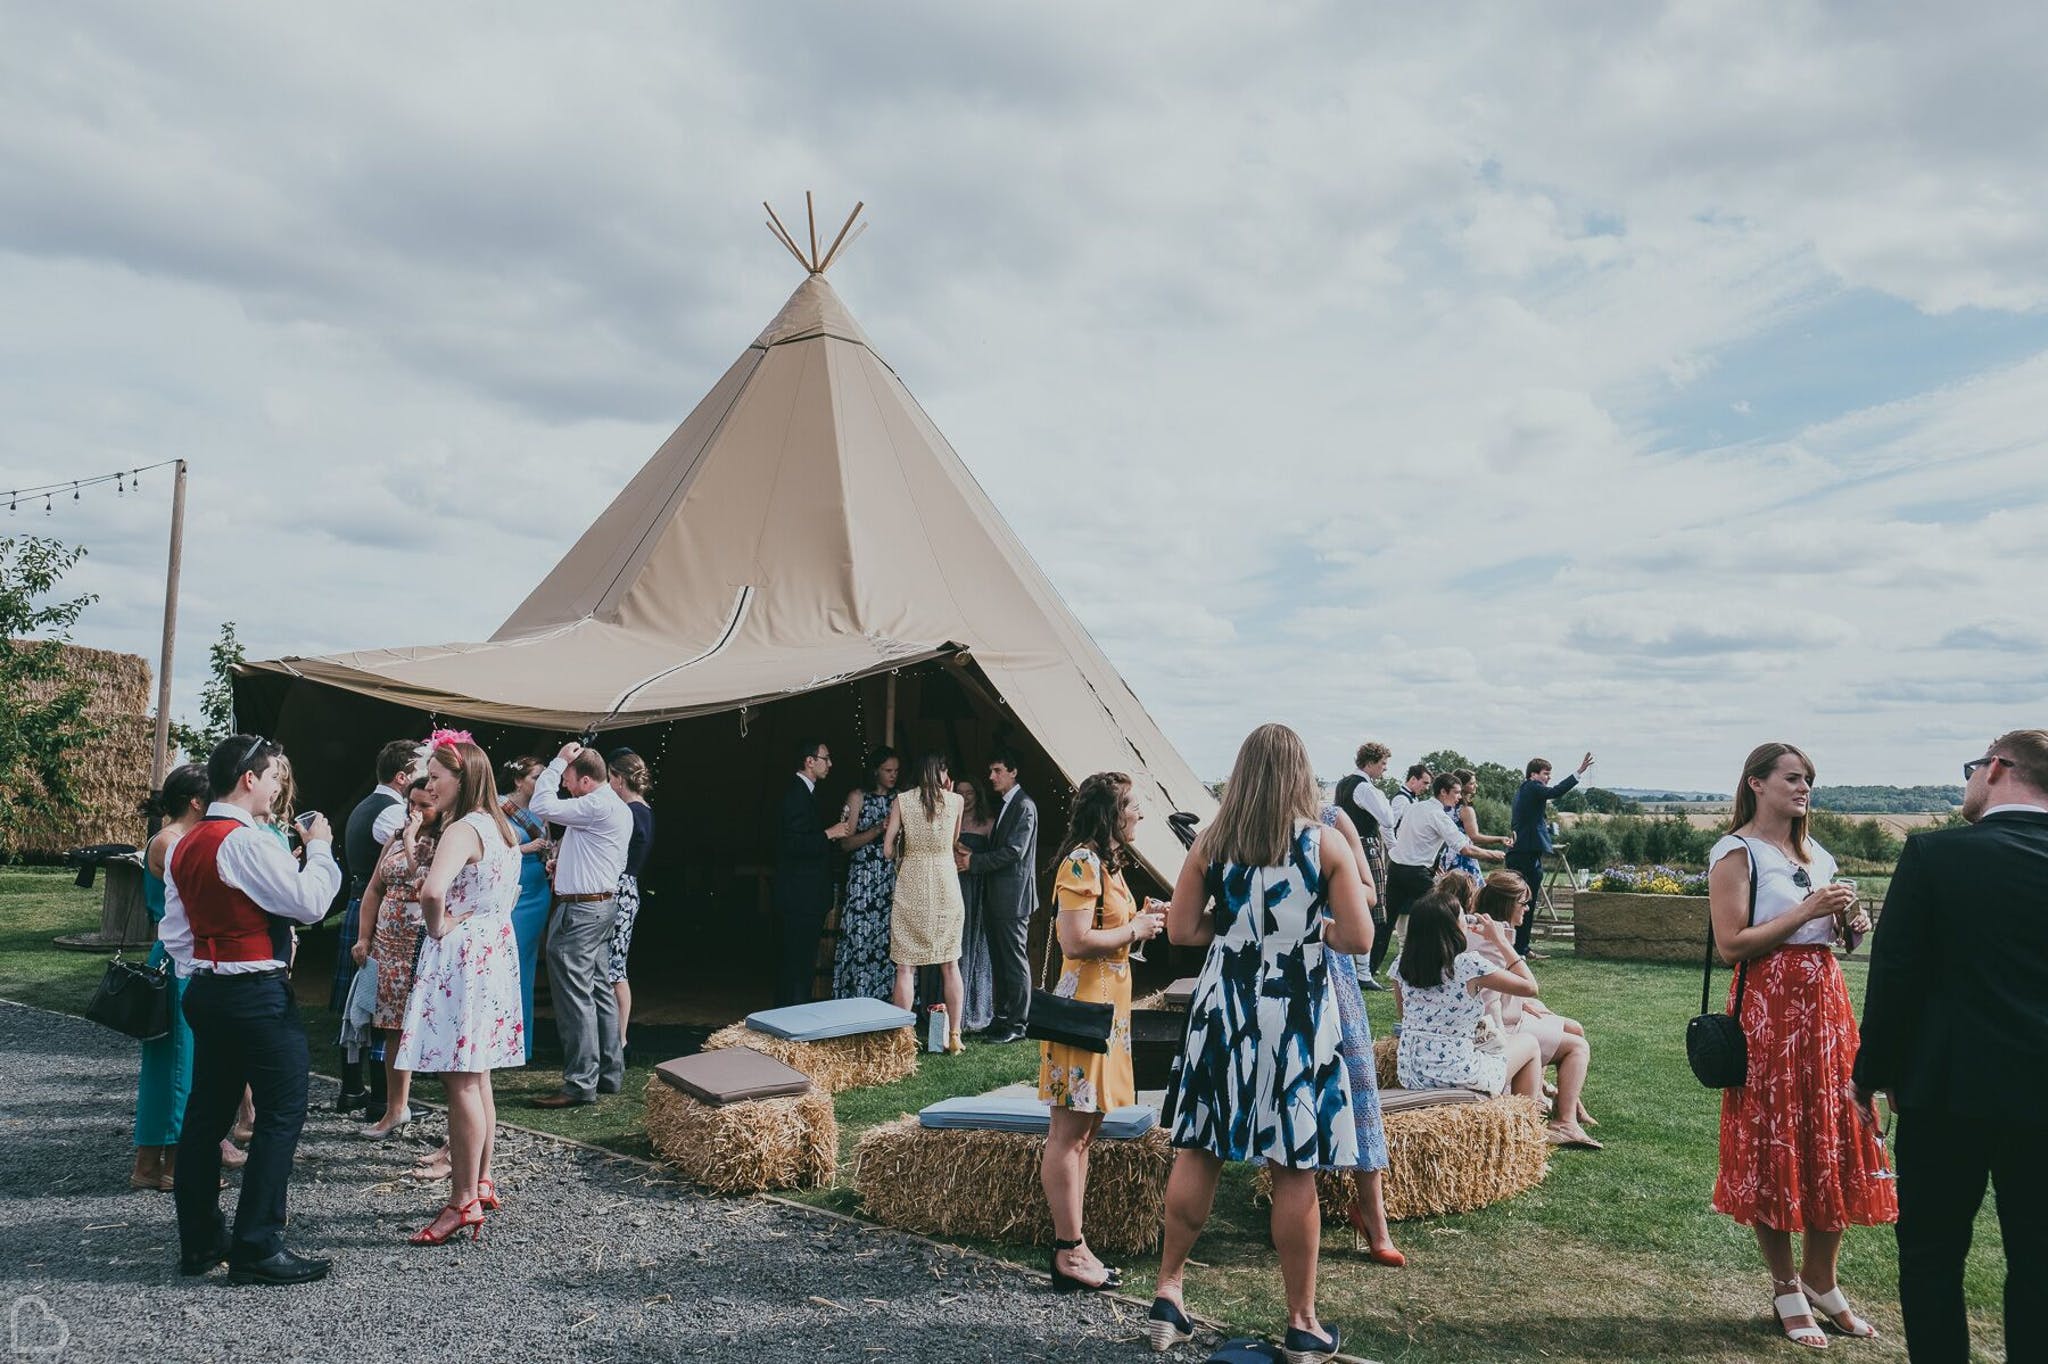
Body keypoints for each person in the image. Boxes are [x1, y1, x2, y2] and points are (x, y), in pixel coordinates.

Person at [1150, 723, 1373, 1363]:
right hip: (1296, 1008)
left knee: (1200, 1146)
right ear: (1301, 774)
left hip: (1226, 1001)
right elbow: (1358, 939)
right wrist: (1305, 931)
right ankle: (1303, 1324)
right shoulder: (1325, 844)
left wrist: (1240, 926)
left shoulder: (1211, 843)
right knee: (1293, 1163)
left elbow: (1185, 931)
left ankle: (1169, 1292)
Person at [1853, 730, 2048, 1363]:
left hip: (1946, 1095)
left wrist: (1868, 1075)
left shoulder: (1934, 856)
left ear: (1996, 768)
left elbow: (1896, 978)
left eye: (1971, 768)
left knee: (1933, 1258)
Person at [1708, 742, 1891, 1350]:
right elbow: (1733, 944)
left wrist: (1848, 927)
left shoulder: (1818, 853)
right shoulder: (1737, 852)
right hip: (1770, 1009)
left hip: (1826, 1006)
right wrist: (1809, 908)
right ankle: (1786, 1285)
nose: (1803, 787)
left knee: (1836, 1133)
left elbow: (1839, 946)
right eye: (1792, 777)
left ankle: (1823, 1281)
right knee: (1776, 1136)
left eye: (1808, 778)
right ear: (1756, 783)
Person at [162, 734, 340, 1285]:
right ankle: (257, 1246)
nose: (276, 788)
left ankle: (199, 1242)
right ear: (248, 779)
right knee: (282, 1115)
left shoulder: (184, 843)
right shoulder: (248, 842)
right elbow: (311, 903)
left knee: (204, 1117)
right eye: (273, 779)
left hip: (208, 991)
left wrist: (208, 966)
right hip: (254, 993)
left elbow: (174, 934)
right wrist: (320, 849)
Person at [1037, 772, 1166, 1292]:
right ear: (1111, 814)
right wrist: (1132, 929)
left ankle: (1078, 1243)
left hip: (1107, 1016)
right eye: (1134, 806)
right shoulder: (1081, 862)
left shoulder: (1109, 865)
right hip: (1081, 1017)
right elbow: (1075, 939)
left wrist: (1141, 918)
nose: (1140, 814)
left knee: (1085, 1133)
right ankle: (1068, 1251)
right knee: (1068, 1136)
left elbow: (1106, 931)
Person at [395, 737, 525, 1245]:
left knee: (461, 1081)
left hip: (463, 955)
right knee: (478, 1074)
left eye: (435, 778)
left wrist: (437, 926)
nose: (428, 786)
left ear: (462, 778)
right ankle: (481, 1181)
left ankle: (462, 1198)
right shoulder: (502, 828)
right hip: (492, 950)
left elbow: (432, 891)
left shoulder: (463, 829)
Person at [1315, 799, 1401, 1266]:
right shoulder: (1254, 820)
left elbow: (1370, 893)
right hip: (1277, 976)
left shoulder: (1332, 819)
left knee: (1358, 1084)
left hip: (1332, 963)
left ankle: (1374, 1216)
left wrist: (1334, 887)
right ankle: (1293, 1209)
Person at [531, 742, 636, 1108]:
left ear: (587, 780)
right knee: (599, 989)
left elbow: (540, 805)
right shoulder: (613, 806)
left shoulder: (595, 804)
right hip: (600, 907)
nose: (565, 787)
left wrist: (557, 760)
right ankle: (609, 1073)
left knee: (575, 997)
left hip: (580, 914)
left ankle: (580, 1083)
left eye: (569, 781)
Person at [1467, 870, 1600, 1147]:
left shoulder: (1486, 931)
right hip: (1498, 1028)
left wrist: (1525, 1004)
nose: (1527, 909)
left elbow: (1498, 989)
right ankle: (1563, 1120)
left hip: (1508, 1015)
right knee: (1578, 1045)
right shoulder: (1492, 939)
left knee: (1573, 1027)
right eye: (1523, 903)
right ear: (1506, 905)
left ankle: (1567, 1103)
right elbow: (1491, 1002)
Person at [131, 765, 209, 1192]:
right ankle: (175, 1168)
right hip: (178, 958)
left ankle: (148, 1164)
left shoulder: (170, 838)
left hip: (172, 954)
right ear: (197, 801)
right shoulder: (171, 842)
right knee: (181, 1062)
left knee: (166, 1064)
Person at [352, 772, 442, 1138]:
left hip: (420, 941)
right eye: (412, 804)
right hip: (387, 944)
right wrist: (363, 937)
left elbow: (417, 874)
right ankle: (395, 1108)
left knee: (421, 1027)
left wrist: (409, 837)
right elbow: (374, 888)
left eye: (425, 805)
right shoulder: (393, 839)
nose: (416, 811)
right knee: (391, 1029)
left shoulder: (442, 841)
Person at [1394, 888, 1544, 1107]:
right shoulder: (1467, 964)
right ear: (1454, 926)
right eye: (1463, 916)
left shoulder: (1400, 964)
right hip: (1455, 1074)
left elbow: (1405, 1015)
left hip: (1412, 1074)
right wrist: (1500, 941)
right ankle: (1522, 1128)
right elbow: (1530, 987)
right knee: (1529, 1043)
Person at [331, 739, 418, 1113]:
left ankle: (354, 1091)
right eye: (420, 774)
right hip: (379, 910)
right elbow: (401, 866)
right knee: (379, 1008)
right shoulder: (391, 815)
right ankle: (381, 1098)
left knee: (366, 1005)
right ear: (402, 778)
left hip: (365, 904)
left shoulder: (370, 804)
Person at [1373, 771, 1504, 978]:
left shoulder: (1416, 806)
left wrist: (1433, 865)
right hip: (1416, 873)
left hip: (1397, 868)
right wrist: (1494, 854)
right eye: (1456, 792)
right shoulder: (1438, 815)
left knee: (1387, 922)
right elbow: (1465, 848)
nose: (1459, 797)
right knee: (1448, 914)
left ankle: (1368, 971)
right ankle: (1451, 963)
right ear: (1443, 792)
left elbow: (1418, 839)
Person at [884, 753, 967, 1036]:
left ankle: (902, 1037)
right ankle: (955, 1034)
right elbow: (954, 841)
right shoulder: (957, 801)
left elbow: (886, 850)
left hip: (913, 883)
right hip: (946, 884)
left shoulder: (902, 800)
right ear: (942, 773)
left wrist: (899, 839)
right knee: (950, 963)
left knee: (905, 968)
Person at [963, 749, 1038, 1044]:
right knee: (999, 959)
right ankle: (1002, 1017)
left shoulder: (1024, 806)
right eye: (991, 771)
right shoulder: (1008, 804)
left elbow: (1013, 852)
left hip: (1013, 897)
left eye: (997, 770)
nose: (991, 777)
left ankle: (1019, 1024)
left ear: (1013, 771)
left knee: (1014, 961)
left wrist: (975, 863)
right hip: (999, 896)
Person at [774, 738, 854, 1007]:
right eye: (826, 758)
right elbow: (793, 844)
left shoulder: (806, 793)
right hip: (800, 895)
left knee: (801, 959)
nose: (830, 763)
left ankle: (793, 1011)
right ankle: (791, 1013)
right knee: (798, 960)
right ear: (810, 761)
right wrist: (829, 834)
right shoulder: (796, 795)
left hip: (806, 894)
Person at [1503, 753, 1594, 958]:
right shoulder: (1532, 787)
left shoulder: (1526, 790)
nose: (1548, 778)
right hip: (1524, 854)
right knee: (1524, 902)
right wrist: (1578, 772)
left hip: (1524, 852)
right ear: (1533, 774)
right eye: (1546, 774)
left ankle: (1522, 948)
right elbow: (1556, 792)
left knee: (1525, 902)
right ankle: (1518, 950)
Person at [831, 747, 902, 1002]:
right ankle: (856, 996)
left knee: (887, 939)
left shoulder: (900, 798)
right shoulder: (858, 797)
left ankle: (886, 998)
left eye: (896, 770)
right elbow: (844, 843)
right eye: (887, 770)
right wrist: (877, 830)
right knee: (860, 936)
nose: (893, 775)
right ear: (875, 771)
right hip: (863, 877)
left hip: (889, 878)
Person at [499, 756, 553, 1063]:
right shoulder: (499, 808)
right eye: (537, 777)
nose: (543, 783)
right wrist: (527, 849)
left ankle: (522, 1043)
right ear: (519, 781)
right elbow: (490, 849)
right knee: (507, 962)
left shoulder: (542, 808)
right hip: (512, 890)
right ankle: (501, 1038)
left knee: (526, 966)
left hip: (537, 891)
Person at [607, 751, 656, 1055]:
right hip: (627, 888)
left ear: (620, 779)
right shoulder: (642, 810)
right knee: (615, 967)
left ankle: (619, 1037)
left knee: (615, 968)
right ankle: (616, 1036)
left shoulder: (631, 813)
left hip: (620, 890)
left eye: (610, 778)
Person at [953, 776, 997, 1033]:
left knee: (976, 944)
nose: (965, 797)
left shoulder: (988, 823)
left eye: (969, 793)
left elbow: (995, 857)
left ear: (977, 795)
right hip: (954, 888)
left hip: (977, 890)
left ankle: (976, 1011)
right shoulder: (951, 821)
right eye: (960, 792)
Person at [1442, 768, 1511, 883]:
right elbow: (1474, 836)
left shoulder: (1446, 807)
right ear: (1462, 786)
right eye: (1472, 783)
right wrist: (1500, 839)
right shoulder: (1466, 810)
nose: (1476, 786)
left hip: (1447, 855)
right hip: (1462, 856)